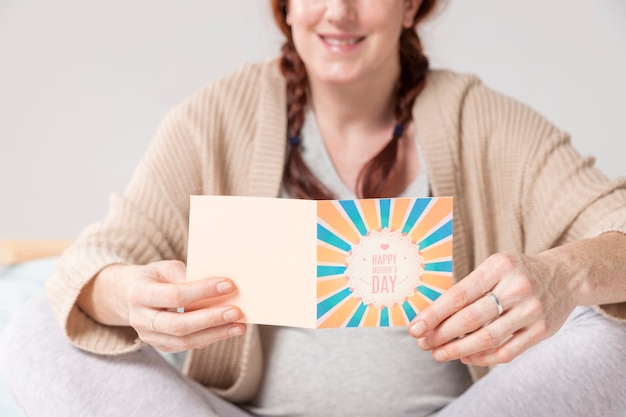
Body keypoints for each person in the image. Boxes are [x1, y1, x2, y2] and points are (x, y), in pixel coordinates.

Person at [1, 0, 625, 416]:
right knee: (33, 333)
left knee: (613, 332)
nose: (339, 11)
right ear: (287, 7)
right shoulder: (219, 116)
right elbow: (94, 259)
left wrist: (567, 275)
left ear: (411, 5)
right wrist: (124, 295)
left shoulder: (477, 119)